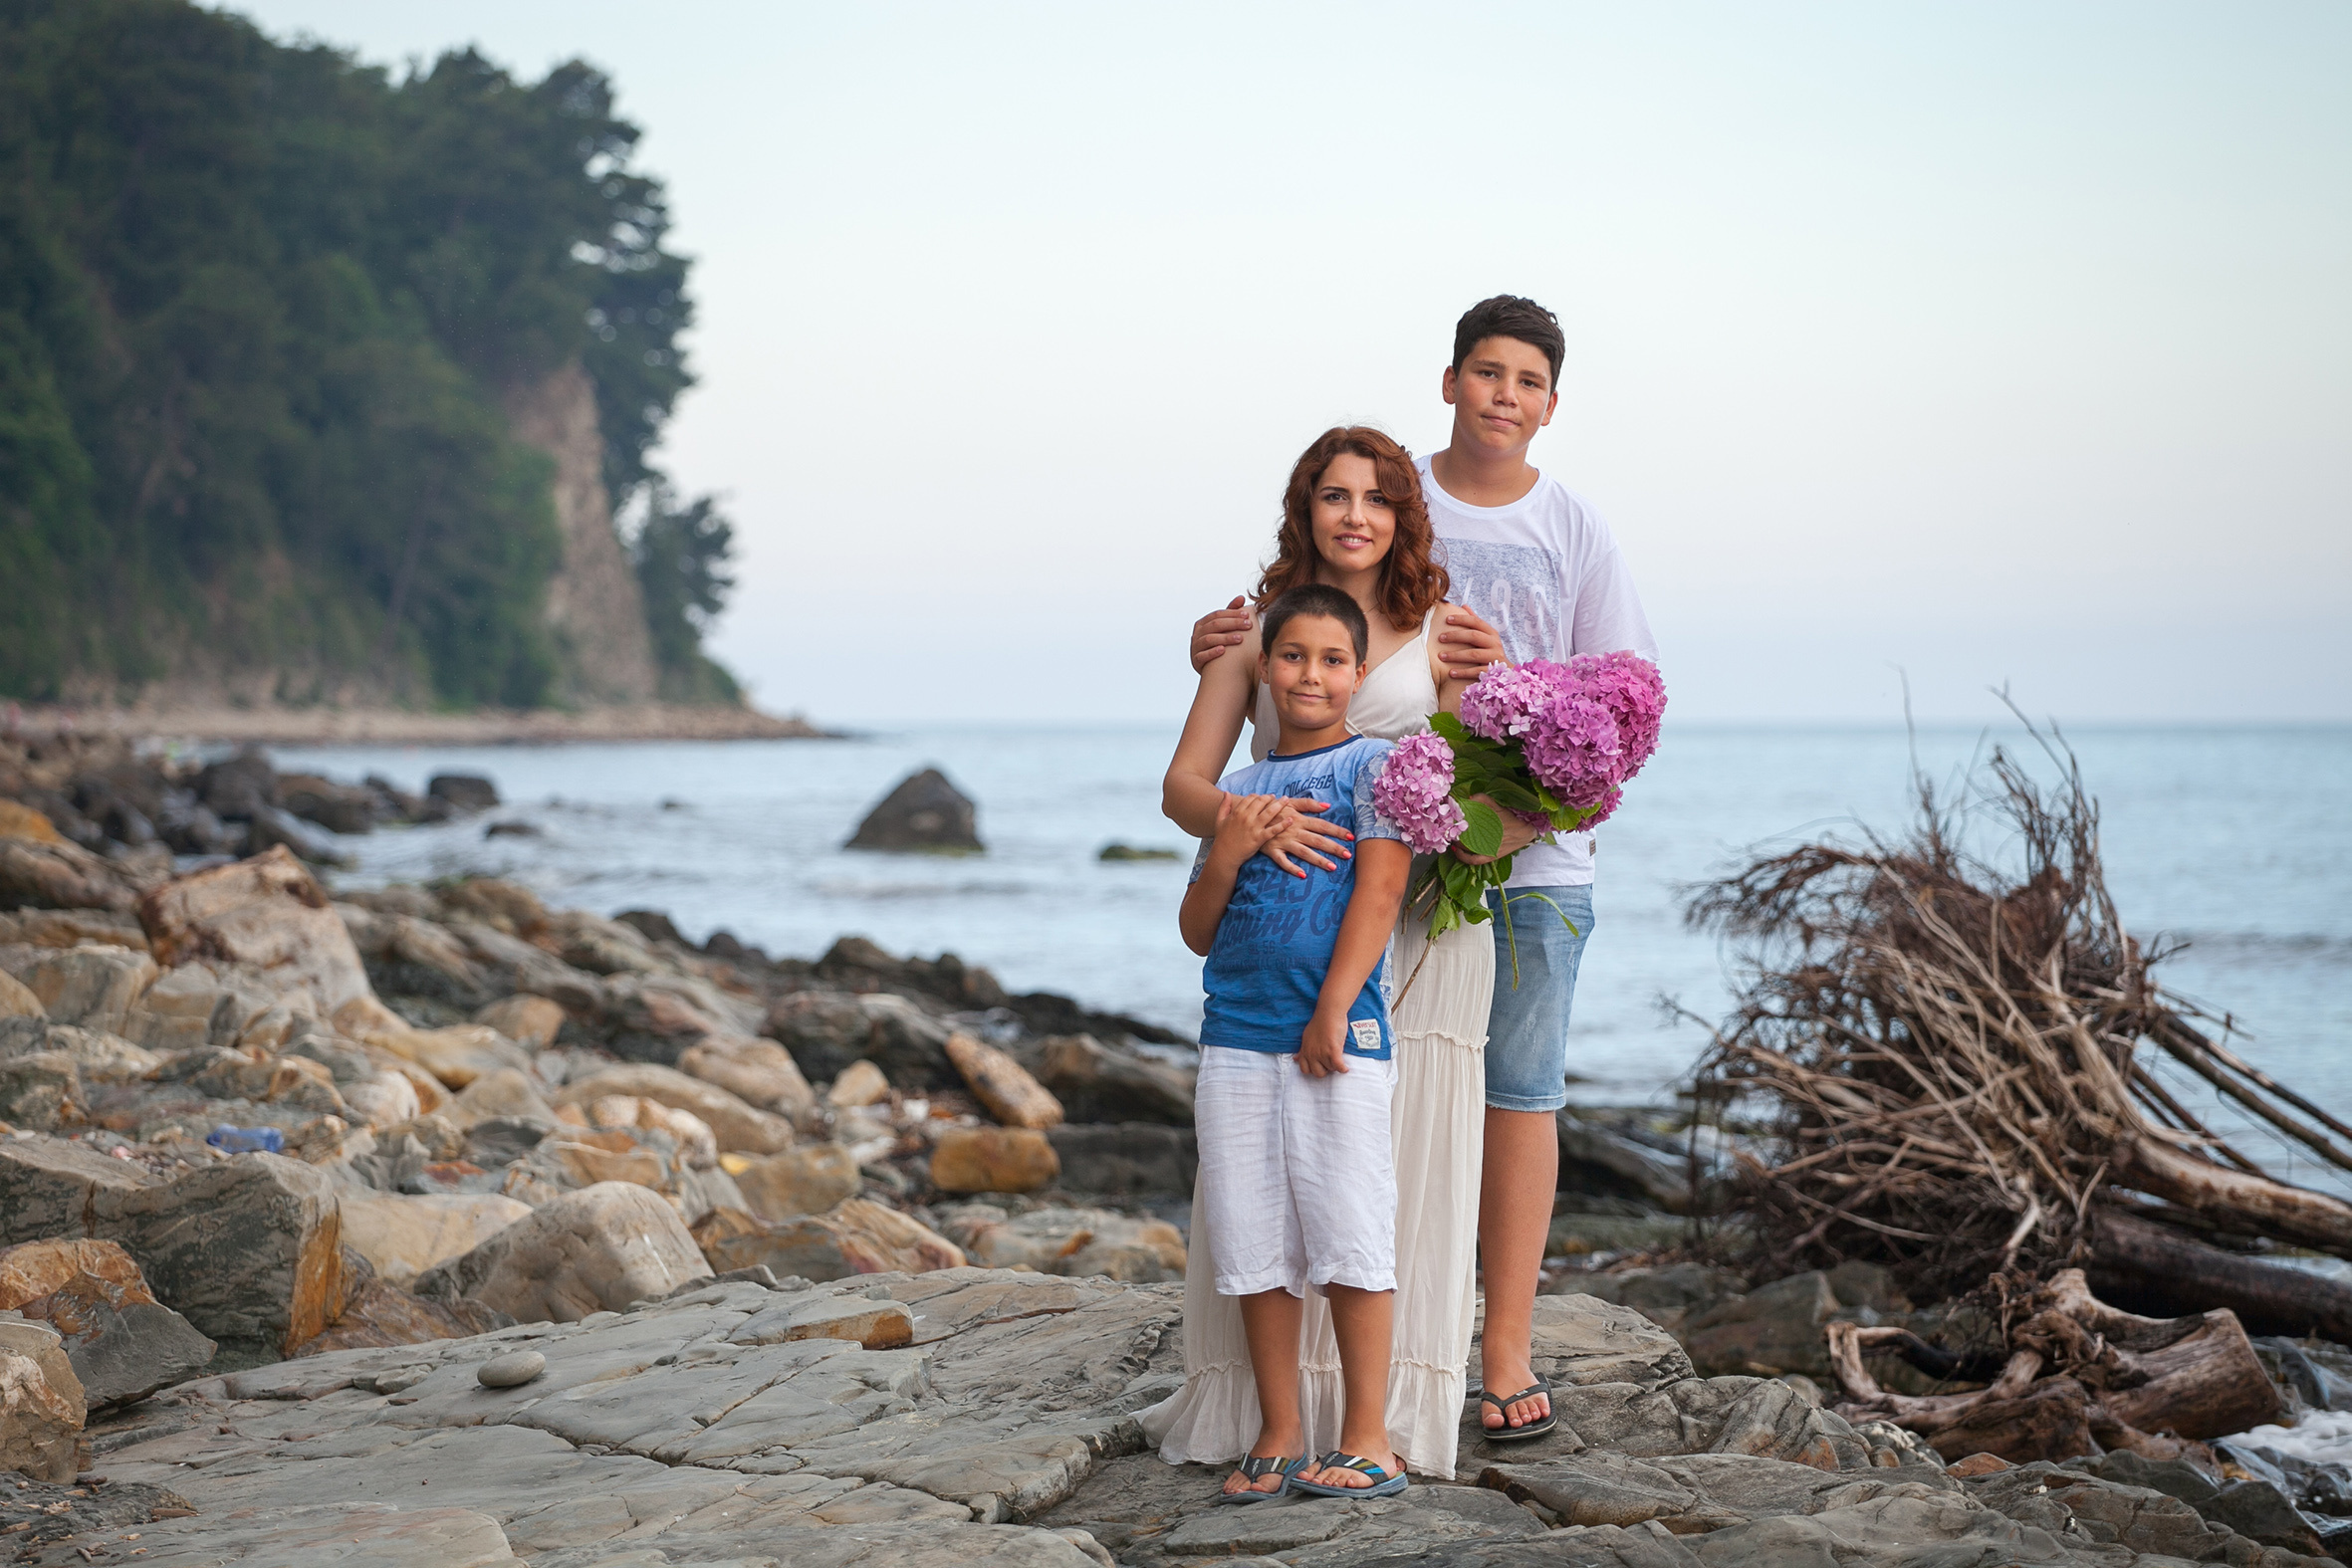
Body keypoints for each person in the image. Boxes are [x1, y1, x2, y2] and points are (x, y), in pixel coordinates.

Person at [1188, 297, 1657, 1442]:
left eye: (1527, 380)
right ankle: (1294, 1401)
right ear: (1447, 382)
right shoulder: (1353, 547)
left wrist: (1532, 768)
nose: (1504, 394)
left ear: (1552, 403)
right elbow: (1267, 684)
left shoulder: (1555, 537)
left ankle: (1473, 1366)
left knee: (1506, 1094)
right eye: (1484, 373)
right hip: (1308, 900)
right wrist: (1224, 655)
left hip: (1491, 868)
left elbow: (1611, 688)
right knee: (1329, 1116)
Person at [1145, 425, 1506, 1485]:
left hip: (1397, 942)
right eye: (1333, 495)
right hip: (1258, 968)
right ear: (1304, 509)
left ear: (1404, 514)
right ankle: (1271, 1419)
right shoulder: (1256, 633)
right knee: (1260, 1203)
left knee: (1371, 1192)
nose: (1354, 515)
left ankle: (1382, 1422)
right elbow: (1186, 796)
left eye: (1377, 497)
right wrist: (1246, 824)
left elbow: (1462, 789)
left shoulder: (1445, 635)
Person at [1179, 580, 1413, 1503]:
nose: (1308, 675)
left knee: (1350, 1226)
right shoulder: (1233, 788)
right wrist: (1231, 846)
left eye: (1330, 659)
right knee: (1250, 1235)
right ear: (1264, 669)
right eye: (1291, 657)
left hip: (1336, 1035)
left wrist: (1332, 1009)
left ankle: (1369, 1436)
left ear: (1359, 673)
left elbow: (1381, 894)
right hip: (1234, 1034)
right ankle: (1278, 1430)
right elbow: (1198, 927)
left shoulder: (1375, 769)